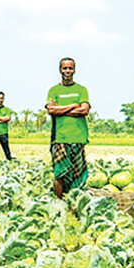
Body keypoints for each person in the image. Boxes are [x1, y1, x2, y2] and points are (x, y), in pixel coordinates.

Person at [46, 57, 90, 198]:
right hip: (60, 137)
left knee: (78, 173)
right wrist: (72, 106)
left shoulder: (81, 90)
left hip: (78, 137)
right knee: (60, 172)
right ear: (60, 70)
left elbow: (84, 110)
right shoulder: (54, 90)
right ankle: (59, 202)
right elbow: (51, 110)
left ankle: (74, 202)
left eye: (70, 68)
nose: (67, 71)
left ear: (74, 70)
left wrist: (61, 109)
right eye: (65, 68)